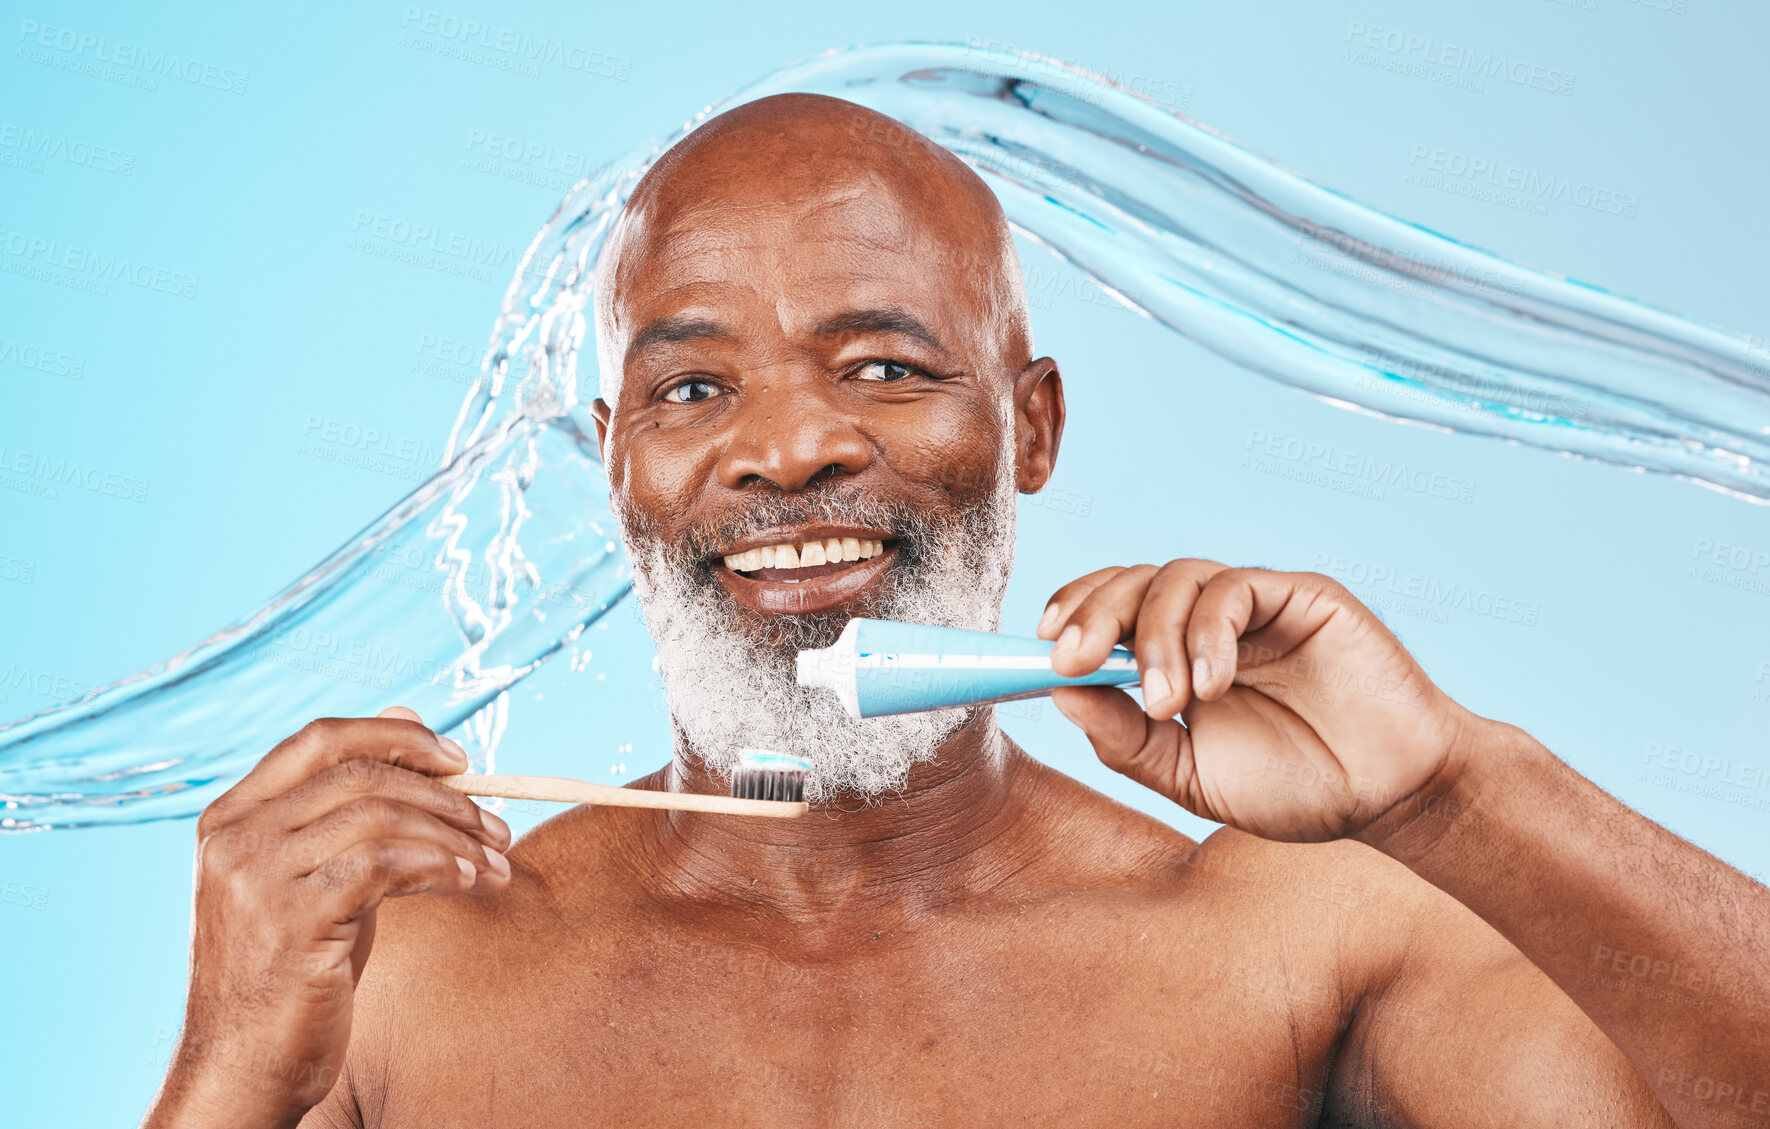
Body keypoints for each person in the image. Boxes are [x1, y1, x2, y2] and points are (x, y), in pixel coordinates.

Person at [144, 94, 1769, 1128]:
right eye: (695, 383)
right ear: (615, 464)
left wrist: (1454, 791)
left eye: (884, 367)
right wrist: (219, 1079)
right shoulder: (399, 980)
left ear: (1032, 424)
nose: (789, 447)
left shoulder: (1294, 943)